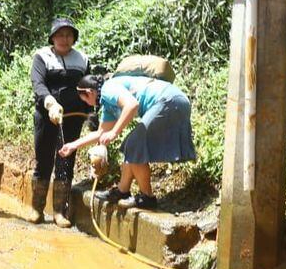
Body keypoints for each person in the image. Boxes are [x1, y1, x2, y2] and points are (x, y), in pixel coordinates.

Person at [60, 73, 196, 209]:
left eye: (85, 100)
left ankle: (147, 197)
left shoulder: (108, 88)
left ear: (90, 92)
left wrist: (114, 132)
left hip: (169, 100)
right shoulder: (108, 104)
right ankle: (122, 191)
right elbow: (100, 133)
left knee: (134, 145)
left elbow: (132, 105)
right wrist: (73, 145)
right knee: (131, 145)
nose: (87, 104)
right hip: (174, 101)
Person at [30, 17, 92, 226]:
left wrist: (90, 117)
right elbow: (38, 84)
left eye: (68, 35)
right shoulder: (42, 57)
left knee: (66, 161)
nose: (64, 39)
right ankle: (37, 209)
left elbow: (89, 89)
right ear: (52, 38)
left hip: (72, 119)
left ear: (74, 38)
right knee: (44, 160)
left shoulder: (82, 59)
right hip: (46, 116)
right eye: (60, 35)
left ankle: (59, 212)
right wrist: (50, 103)